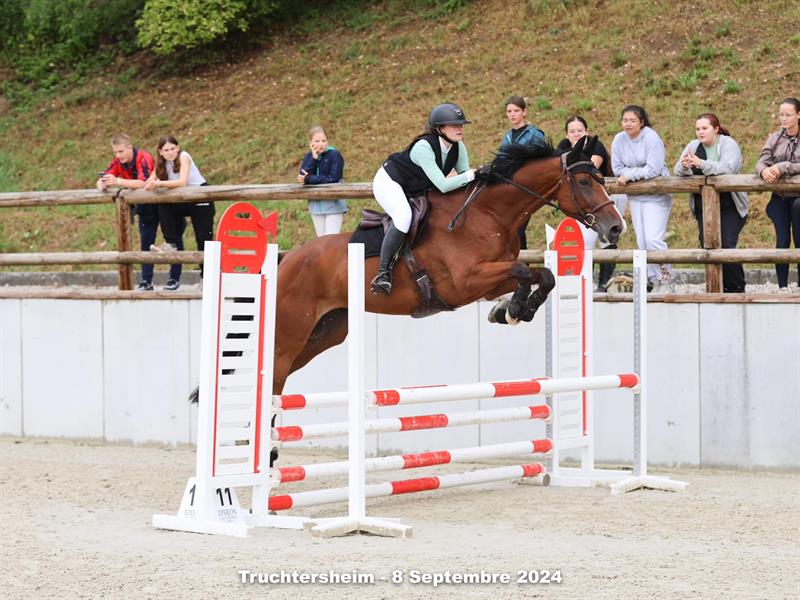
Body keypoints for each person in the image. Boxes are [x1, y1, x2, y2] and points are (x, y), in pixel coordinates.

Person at [370, 102, 477, 295]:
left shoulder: (458, 147)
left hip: (415, 186)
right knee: (403, 217)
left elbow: (465, 178)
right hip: (390, 182)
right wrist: (473, 174)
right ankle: (383, 273)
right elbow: (443, 185)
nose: (460, 128)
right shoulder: (423, 147)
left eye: (461, 124)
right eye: (454, 125)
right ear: (439, 128)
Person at [674, 113, 748, 293]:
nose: (700, 132)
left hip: (731, 204)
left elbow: (728, 167)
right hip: (704, 206)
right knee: (707, 244)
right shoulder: (693, 146)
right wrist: (685, 165)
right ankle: (716, 288)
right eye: (697, 129)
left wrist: (701, 164)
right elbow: (677, 170)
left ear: (716, 129)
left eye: (704, 128)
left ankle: (736, 287)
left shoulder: (728, 144)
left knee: (726, 244)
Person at [611, 105, 674, 293]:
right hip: (636, 196)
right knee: (643, 242)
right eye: (625, 120)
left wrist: (630, 175)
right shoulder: (619, 139)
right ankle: (653, 280)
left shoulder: (651, 138)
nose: (628, 124)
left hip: (656, 195)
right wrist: (632, 174)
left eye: (632, 120)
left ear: (641, 122)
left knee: (654, 240)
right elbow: (617, 168)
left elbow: (654, 169)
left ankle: (667, 279)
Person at [556, 115, 622, 292]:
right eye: (572, 131)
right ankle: (586, 280)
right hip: (583, 200)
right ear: (566, 134)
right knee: (585, 240)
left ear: (587, 131)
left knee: (606, 237)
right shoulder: (563, 146)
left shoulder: (595, 145)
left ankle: (604, 282)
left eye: (580, 130)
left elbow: (589, 168)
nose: (576, 134)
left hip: (605, 197)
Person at [145, 135, 215, 290]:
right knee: (163, 203)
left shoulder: (184, 157)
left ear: (177, 148)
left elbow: (182, 182)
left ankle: (206, 278)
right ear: (160, 152)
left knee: (203, 239)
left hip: (199, 195)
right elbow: (150, 181)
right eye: (166, 150)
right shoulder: (161, 164)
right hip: (183, 199)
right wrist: (150, 184)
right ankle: (171, 242)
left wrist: (159, 184)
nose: (170, 153)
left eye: (172, 149)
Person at [96, 134, 158, 291]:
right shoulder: (118, 161)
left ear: (130, 147)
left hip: (162, 201)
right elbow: (103, 177)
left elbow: (144, 182)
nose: (118, 156)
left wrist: (118, 181)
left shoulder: (144, 157)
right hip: (145, 205)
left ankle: (175, 278)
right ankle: (146, 281)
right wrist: (102, 184)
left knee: (173, 240)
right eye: (115, 152)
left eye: (121, 151)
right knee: (146, 242)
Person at [755, 97, 800, 292]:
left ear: (798, 115)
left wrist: (784, 167)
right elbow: (761, 161)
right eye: (781, 114)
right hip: (779, 198)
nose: (783, 118)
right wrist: (763, 171)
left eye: (788, 114)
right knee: (782, 240)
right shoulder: (775, 138)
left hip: (798, 198)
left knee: (799, 239)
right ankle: (782, 286)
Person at [500, 96, 546, 249]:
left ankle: (522, 257)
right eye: (509, 111)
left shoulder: (535, 134)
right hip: (508, 189)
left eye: (516, 111)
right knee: (510, 228)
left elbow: (539, 161)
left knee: (518, 227)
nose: (512, 114)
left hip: (526, 189)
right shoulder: (507, 136)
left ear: (524, 112)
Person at [297, 126, 346, 236]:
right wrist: (314, 159)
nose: (321, 144)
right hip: (315, 206)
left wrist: (309, 179)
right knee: (320, 241)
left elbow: (333, 179)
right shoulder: (309, 156)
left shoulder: (334, 155)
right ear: (310, 143)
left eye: (324, 141)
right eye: (317, 141)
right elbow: (302, 177)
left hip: (333, 205)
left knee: (330, 241)